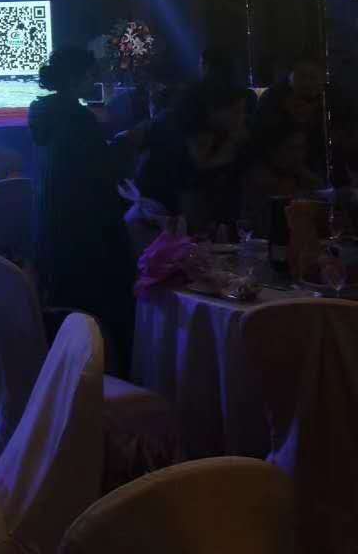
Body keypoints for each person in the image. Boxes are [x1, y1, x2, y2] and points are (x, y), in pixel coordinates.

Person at [29, 45, 134, 371]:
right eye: (90, 75)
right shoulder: (77, 119)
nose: (94, 80)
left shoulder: (45, 113)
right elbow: (100, 171)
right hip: (84, 229)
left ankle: (67, 376)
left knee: (65, 310)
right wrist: (130, 143)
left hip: (53, 223)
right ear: (76, 77)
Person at [136, 78, 250, 234]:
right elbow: (190, 200)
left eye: (242, 111)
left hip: (186, 227)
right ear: (213, 110)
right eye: (236, 111)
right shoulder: (176, 138)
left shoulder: (223, 138)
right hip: (158, 226)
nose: (241, 117)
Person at [237, 119, 320, 238]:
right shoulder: (257, 181)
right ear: (273, 150)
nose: (298, 155)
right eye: (291, 148)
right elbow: (258, 227)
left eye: (301, 148)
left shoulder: (308, 180)